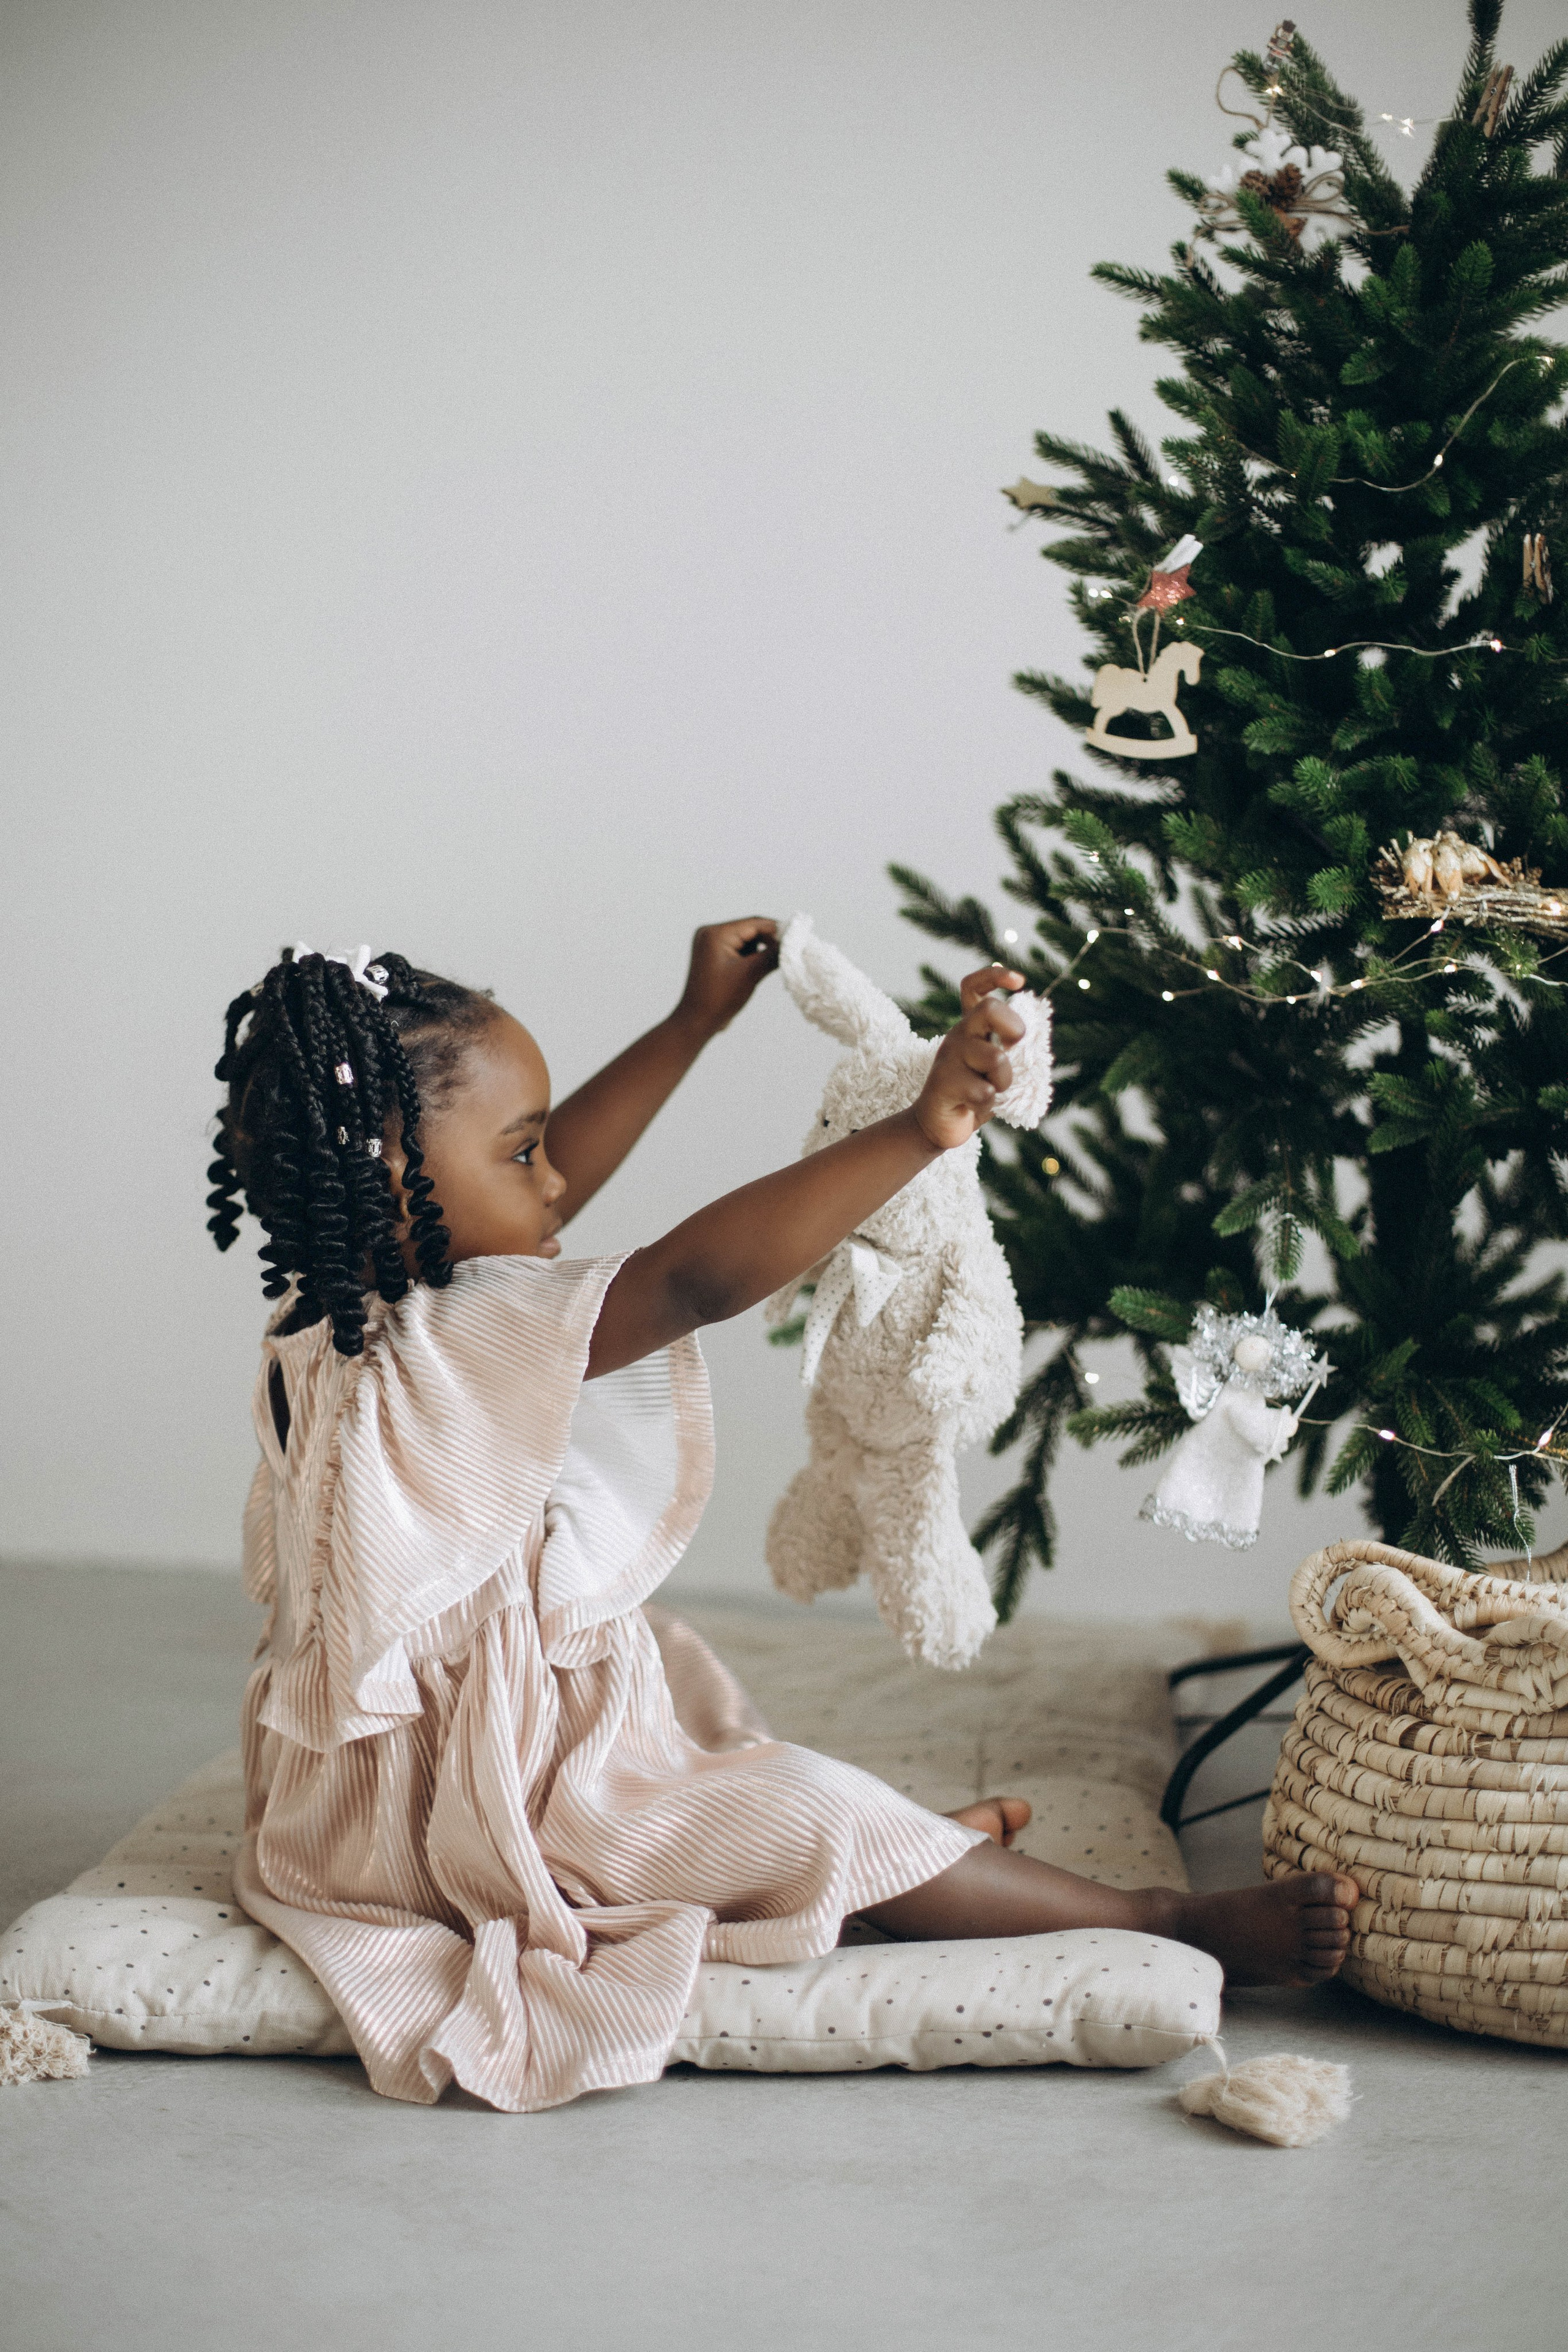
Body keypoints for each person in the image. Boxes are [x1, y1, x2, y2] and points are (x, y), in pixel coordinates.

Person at [208, 922, 1356, 2111]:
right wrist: (915, 1129)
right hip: (487, 1815)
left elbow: (525, 1199)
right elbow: (691, 1279)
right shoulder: (471, 1323)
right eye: (524, 1152)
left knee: (684, 1689)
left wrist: (691, 1022)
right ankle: (1154, 1918)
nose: (554, 1183)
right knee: (804, 1802)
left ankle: (876, 1872)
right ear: (387, 1170)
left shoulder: (330, 1311)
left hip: (348, 1813)